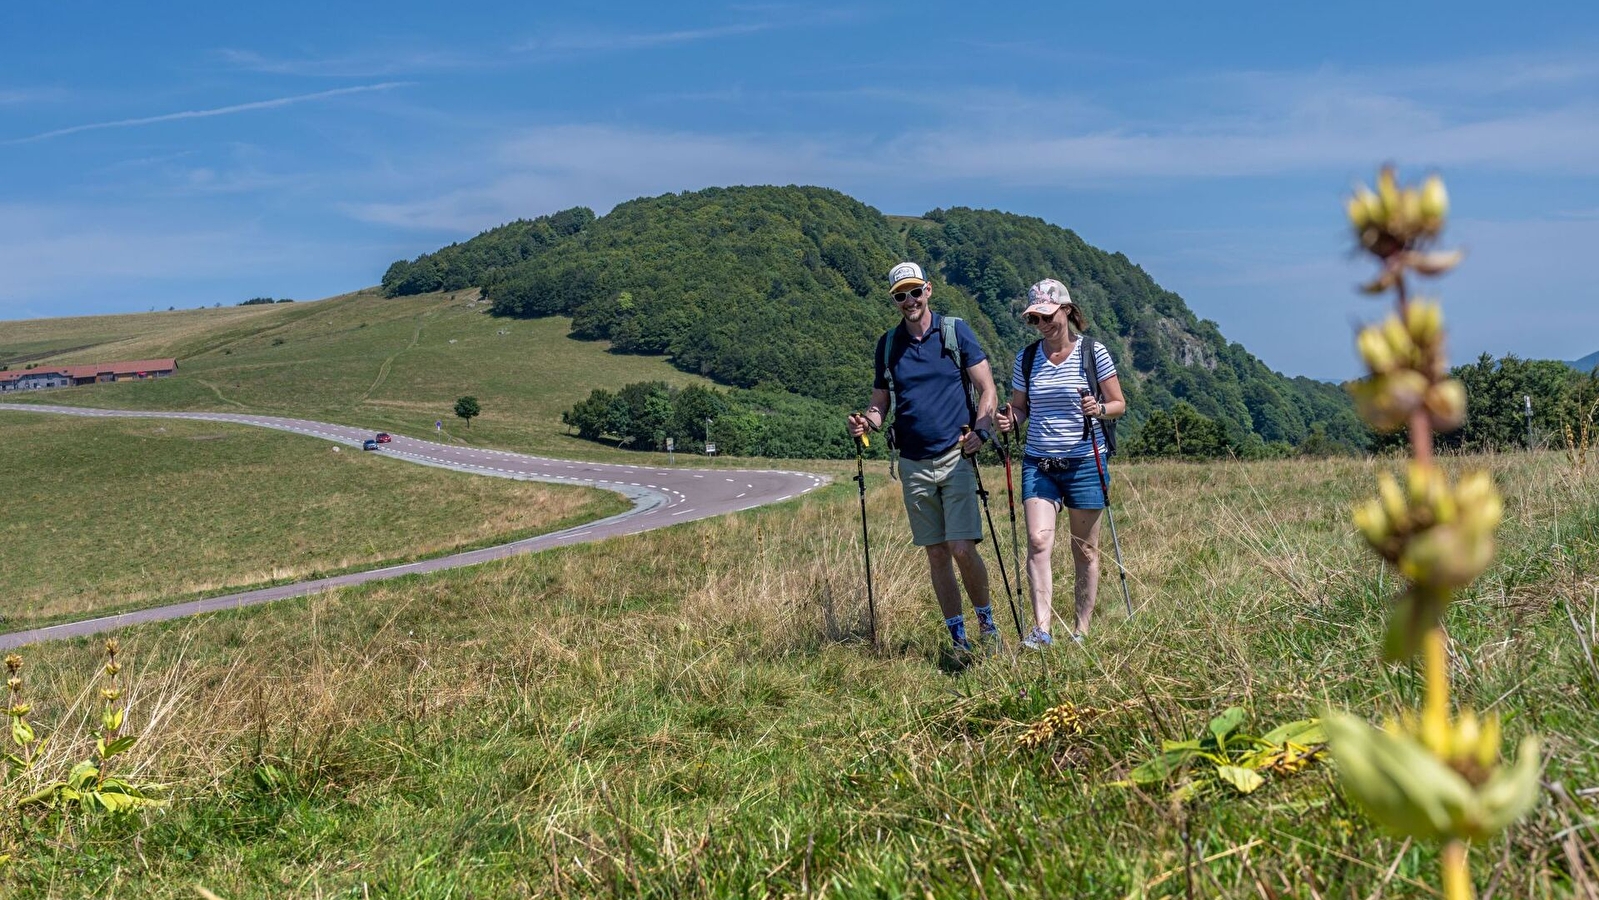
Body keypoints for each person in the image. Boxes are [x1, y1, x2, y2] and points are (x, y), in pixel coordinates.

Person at [847, 261, 1001, 653]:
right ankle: (958, 638)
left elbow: (987, 388)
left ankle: (987, 626)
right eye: (901, 295)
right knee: (936, 554)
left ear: (928, 290)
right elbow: (881, 404)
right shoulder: (888, 345)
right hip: (913, 463)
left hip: (956, 456)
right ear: (894, 300)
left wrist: (982, 432)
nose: (909, 300)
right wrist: (866, 422)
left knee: (962, 548)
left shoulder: (954, 332)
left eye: (915, 292)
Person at [995, 278, 1127, 649]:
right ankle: (1042, 629)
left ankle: (1081, 629)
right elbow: (1020, 408)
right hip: (1039, 463)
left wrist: (1098, 409)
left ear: (1067, 311)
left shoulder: (1093, 352)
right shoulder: (1027, 358)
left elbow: (1119, 403)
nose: (1043, 324)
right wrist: (1010, 420)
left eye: (1048, 316)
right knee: (1038, 542)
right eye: (1035, 319)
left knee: (1084, 551)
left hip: (1086, 461)